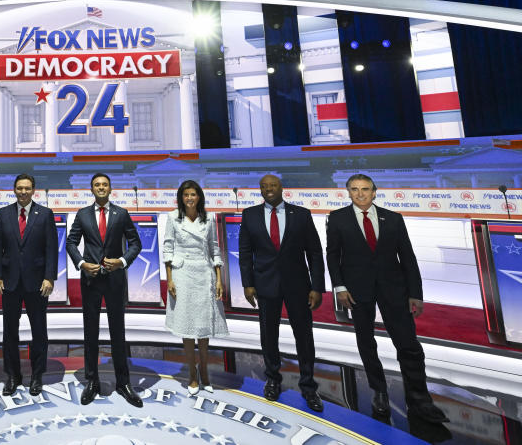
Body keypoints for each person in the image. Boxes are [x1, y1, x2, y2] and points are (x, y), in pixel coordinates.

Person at [326, 174, 448, 422]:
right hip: (356, 291)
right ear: (347, 192)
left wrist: (415, 293)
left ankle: (419, 399)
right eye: (355, 189)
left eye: (365, 189)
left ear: (375, 192)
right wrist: (339, 287)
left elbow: (408, 258)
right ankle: (378, 391)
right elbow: (333, 255)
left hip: (394, 290)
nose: (360, 194)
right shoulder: (337, 219)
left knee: (408, 344)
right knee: (366, 342)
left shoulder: (393, 219)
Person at [238, 174, 325, 412]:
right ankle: (273, 380)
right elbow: (245, 254)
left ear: (281, 188)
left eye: (273, 185)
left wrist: (317, 287)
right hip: (265, 284)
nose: (268, 189)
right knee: (269, 335)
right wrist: (247, 284)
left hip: (298, 285)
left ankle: (308, 386)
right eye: (264, 186)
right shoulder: (250, 215)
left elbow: (315, 254)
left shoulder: (302, 214)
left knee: (304, 337)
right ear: (260, 190)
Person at [66, 173, 143, 407]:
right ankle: (92, 382)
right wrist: (81, 263)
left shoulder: (122, 213)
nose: (101, 188)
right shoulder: (82, 214)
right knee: (90, 333)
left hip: (115, 280)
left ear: (110, 189)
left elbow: (136, 243)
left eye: (105, 185)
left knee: (117, 333)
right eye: (97, 185)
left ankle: (123, 383)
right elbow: (71, 242)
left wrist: (122, 261)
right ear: (92, 189)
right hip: (90, 280)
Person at [0, 173, 58, 396]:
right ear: (14, 189)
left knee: (39, 332)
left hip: (37, 284)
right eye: (19, 188)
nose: (23, 192)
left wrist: (50, 277)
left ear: (34, 190)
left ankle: (37, 375)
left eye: (27, 188)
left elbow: (51, 249)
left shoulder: (45, 214)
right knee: (10, 332)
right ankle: (13, 376)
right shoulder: (3, 214)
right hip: (9, 284)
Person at [163, 179, 228, 395]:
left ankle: (205, 373)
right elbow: (168, 248)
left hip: (204, 273)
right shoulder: (173, 217)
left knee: (203, 327)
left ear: (199, 196)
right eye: (186, 195)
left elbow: (214, 248)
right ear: (181, 198)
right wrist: (169, 279)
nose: (190, 198)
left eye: (193, 194)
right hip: (182, 275)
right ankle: (192, 374)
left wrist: (219, 279)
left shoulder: (208, 218)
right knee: (187, 327)